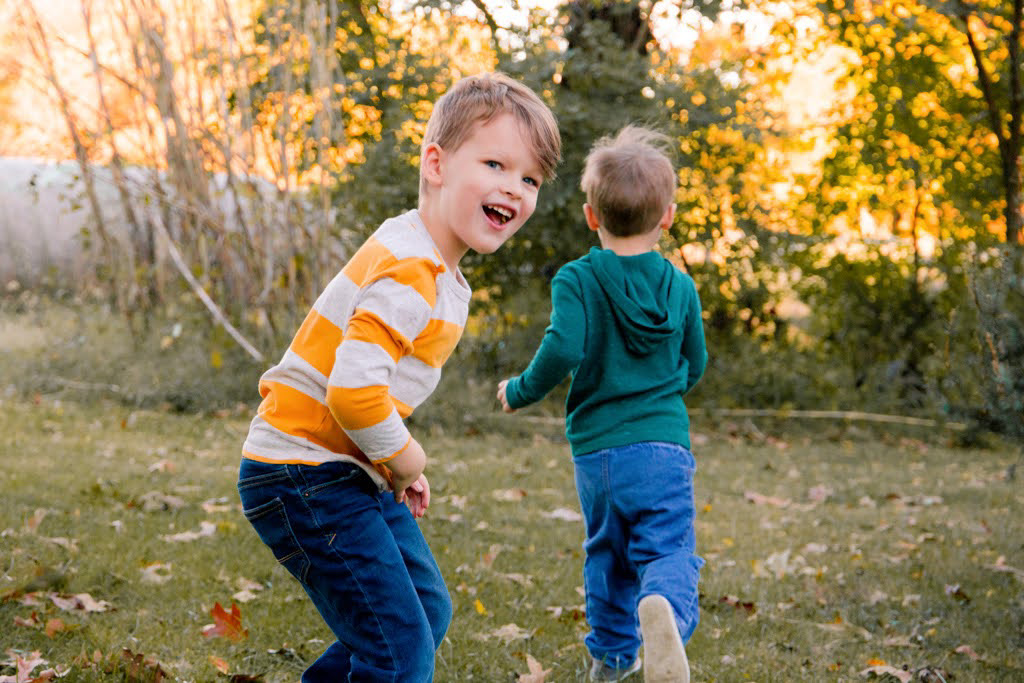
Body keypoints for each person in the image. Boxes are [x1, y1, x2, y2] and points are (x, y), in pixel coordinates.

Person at [237, 72, 561, 682]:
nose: (513, 188)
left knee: (424, 615)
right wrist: (409, 457)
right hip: (302, 471)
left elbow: (369, 394)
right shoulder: (411, 268)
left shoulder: (426, 260)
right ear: (436, 164)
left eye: (530, 179)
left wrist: (387, 459)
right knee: (400, 649)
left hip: (342, 468)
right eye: (495, 164)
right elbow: (352, 392)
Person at [497, 125, 707, 683]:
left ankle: (613, 658)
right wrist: (662, 396)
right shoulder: (681, 287)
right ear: (668, 217)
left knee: (608, 555)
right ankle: (666, 609)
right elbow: (696, 364)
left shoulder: (577, 278)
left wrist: (519, 390)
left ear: (592, 216)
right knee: (667, 549)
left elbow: (563, 346)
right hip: (664, 449)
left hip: (597, 454)